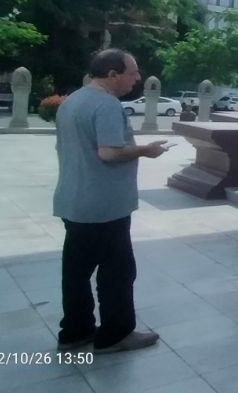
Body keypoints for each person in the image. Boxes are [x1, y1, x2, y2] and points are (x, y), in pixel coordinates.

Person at [54, 48, 168, 354]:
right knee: (118, 272)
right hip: (103, 206)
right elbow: (109, 152)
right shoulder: (106, 104)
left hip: (74, 201)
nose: (138, 78)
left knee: (76, 273)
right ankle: (116, 335)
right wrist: (146, 150)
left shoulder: (72, 101)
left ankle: (75, 331)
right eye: (133, 72)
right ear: (112, 74)